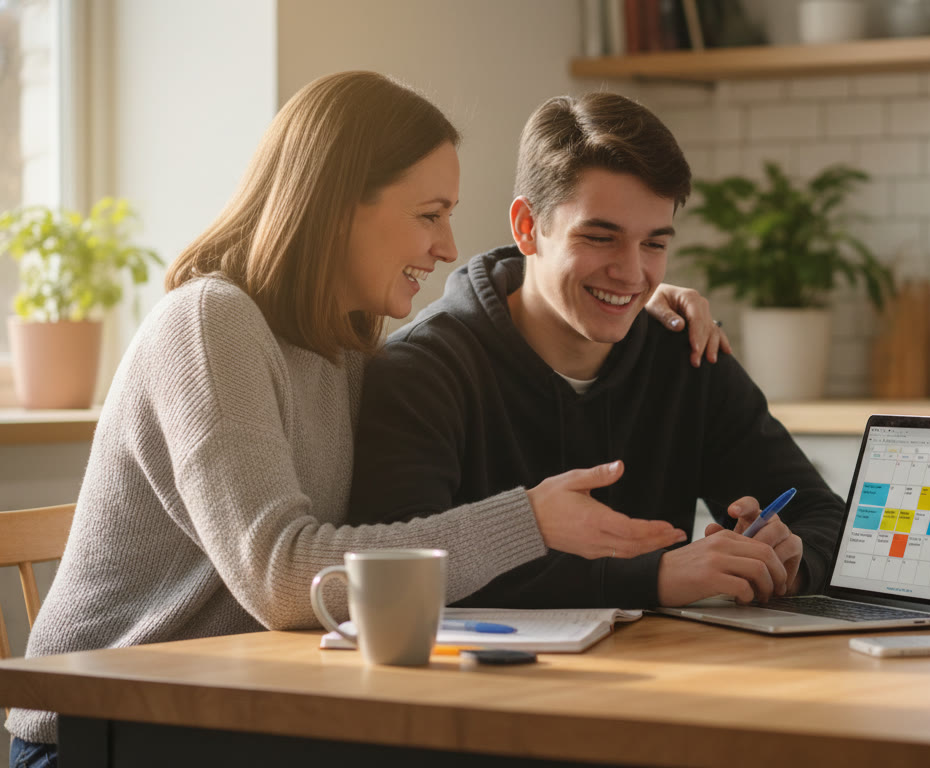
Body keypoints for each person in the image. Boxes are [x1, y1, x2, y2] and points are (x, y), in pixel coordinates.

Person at [6, 72, 726, 767]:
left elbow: (377, 533)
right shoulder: (209, 322)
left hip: (234, 710)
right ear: (336, 203)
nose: (446, 246)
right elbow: (284, 579)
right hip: (100, 730)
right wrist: (529, 521)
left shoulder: (343, 341)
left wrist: (633, 295)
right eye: (429, 215)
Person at [347, 92, 845, 609]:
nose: (632, 274)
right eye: (600, 238)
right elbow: (402, 568)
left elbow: (821, 513)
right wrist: (653, 579)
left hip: (668, 677)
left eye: (654, 244)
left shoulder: (687, 357)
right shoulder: (420, 371)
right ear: (527, 227)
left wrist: (791, 557)